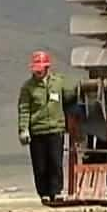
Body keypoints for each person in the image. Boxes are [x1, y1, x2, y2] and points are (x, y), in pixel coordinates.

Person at [17, 50, 77, 202]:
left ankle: (56, 192)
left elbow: (69, 96)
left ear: (46, 68)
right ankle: (43, 193)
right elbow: (24, 108)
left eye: (40, 69)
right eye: (35, 69)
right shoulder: (28, 88)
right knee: (40, 165)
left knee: (55, 162)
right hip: (37, 130)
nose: (38, 72)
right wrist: (23, 129)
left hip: (56, 129)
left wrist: (80, 90)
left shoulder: (58, 82)